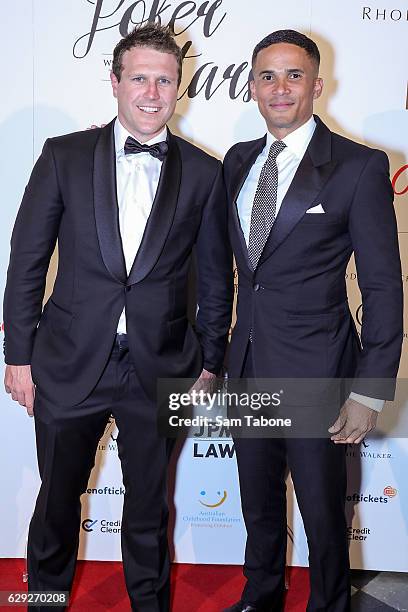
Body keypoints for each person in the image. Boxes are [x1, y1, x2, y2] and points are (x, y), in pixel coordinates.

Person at [3, 23, 232, 612]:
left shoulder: (205, 173)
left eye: (165, 80)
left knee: (150, 507)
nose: (152, 93)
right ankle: (45, 603)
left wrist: (210, 364)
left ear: (179, 87)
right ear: (114, 82)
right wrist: (19, 356)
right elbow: (27, 260)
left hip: (163, 369)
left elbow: (214, 278)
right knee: (57, 501)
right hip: (67, 362)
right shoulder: (64, 155)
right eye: (139, 79)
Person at [223, 30, 403, 612]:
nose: (280, 88)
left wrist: (369, 391)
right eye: (267, 76)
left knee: (324, 514)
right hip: (246, 368)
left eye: (293, 75)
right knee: (258, 504)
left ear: (317, 86)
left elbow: (380, 287)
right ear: (251, 86)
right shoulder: (238, 161)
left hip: (319, 373)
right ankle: (261, 597)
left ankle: (329, 604)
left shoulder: (358, 166)